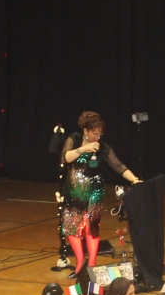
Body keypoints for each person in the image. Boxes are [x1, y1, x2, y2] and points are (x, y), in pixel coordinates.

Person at [60, 111, 141, 276]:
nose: (97, 137)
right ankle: (80, 262)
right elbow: (65, 158)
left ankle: (92, 264)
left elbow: (118, 166)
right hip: (74, 193)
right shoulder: (74, 139)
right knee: (71, 228)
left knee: (91, 229)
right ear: (85, 131)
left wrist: (134, 179)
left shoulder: (104, 148)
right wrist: (84, 149)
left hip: (94, 193)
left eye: (100, 134)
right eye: (94, 133)